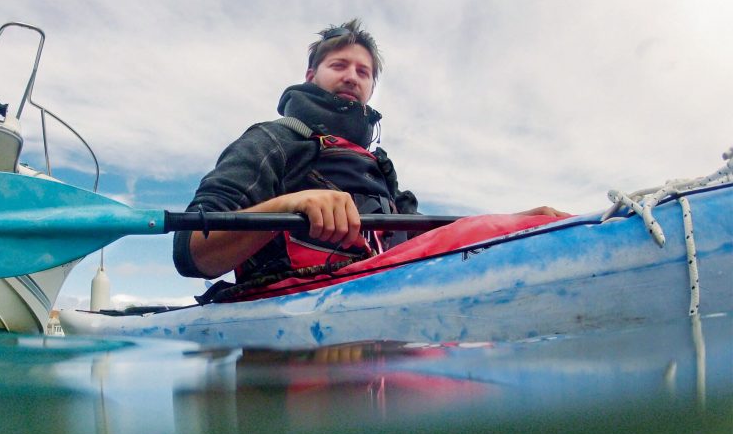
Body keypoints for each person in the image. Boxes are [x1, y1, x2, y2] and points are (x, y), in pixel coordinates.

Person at [173, 19, 567, 282]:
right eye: (338, 65)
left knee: (504, 232)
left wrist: (512, 222)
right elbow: (191, 252)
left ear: (371, 87)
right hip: (290, 309)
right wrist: (289, 205)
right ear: (311, 76)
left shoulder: (378, 165)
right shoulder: (274, 139)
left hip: (382, 294)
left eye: (363, 72)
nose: (351, 77)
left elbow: (431, 238)